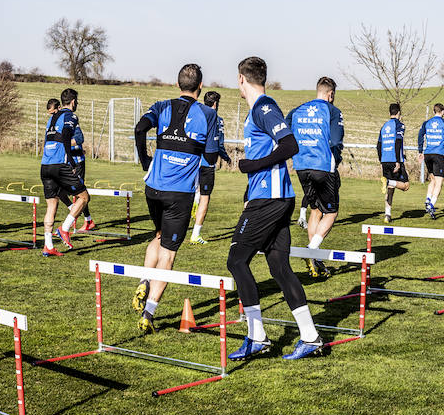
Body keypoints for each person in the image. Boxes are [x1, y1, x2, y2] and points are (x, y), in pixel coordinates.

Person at [226, 56, 324, 361]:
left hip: (270, 200)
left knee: (236, 261)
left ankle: (257, 337)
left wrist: (251, 165)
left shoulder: (263, 108)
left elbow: (289, 145)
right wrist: (249, 187)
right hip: (274, 197)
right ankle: (310, 337)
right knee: (279, 268)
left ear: (242, 79)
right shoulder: (260, 110)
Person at [132, 64, 219, 333]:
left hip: (153, 190)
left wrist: (145, 158)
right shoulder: (208, 114)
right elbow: (212, 157)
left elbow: (138, 129)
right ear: (200, 87)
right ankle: (149, 313)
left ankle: (144, 281)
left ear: (177, 84)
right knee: (169, 255)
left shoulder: (160, 106)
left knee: (158, 235)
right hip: (178, 195)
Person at [285, 76, 344, 278]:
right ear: (331, 94)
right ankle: (311, 249)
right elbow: (336, 140)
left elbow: (284, 131)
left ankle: (314, 259)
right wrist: (337, 158)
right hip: (323, 166)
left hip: (301, 166)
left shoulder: (298, 110)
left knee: (316, 209)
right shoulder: (332, 110)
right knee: (331, 212)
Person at [40, 88, 90, 257]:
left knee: (51, 205)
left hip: (45, 165)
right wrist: (70, 159)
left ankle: (48, 246)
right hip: (60, 164)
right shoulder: (71, 116)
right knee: (84, 197)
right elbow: (68, 135)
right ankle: (65, 228)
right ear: (73, 102)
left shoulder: (51, 118)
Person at [190, 90, 231, 245]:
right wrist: (226, 157)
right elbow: (218, 143)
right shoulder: (217, 119)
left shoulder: (196, 116)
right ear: (216, 104)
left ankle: (194, 199)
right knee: (205, 198)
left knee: (194, 190)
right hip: (207, 163)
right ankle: (196, 234)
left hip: (192, 161)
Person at [418, 103, 444, 219]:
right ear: (442, 111)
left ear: (433, 111)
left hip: (428, 154)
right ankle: (431, 205)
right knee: (439, 182)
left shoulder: (426, 123)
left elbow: (420, 135)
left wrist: (420, 150)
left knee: (432, 179)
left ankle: (428, 199)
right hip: (438, 154)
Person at [378, 103, 410, 223]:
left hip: (385, 160)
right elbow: (397, 142)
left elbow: (378, 145)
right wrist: (397, 161)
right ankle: (388, 181)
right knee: (405, 186)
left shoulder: (384, 126)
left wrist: (381, 160)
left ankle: (387, 215)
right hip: (395, 160)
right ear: (399, 112)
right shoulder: (399, 125)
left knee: (390, 189)